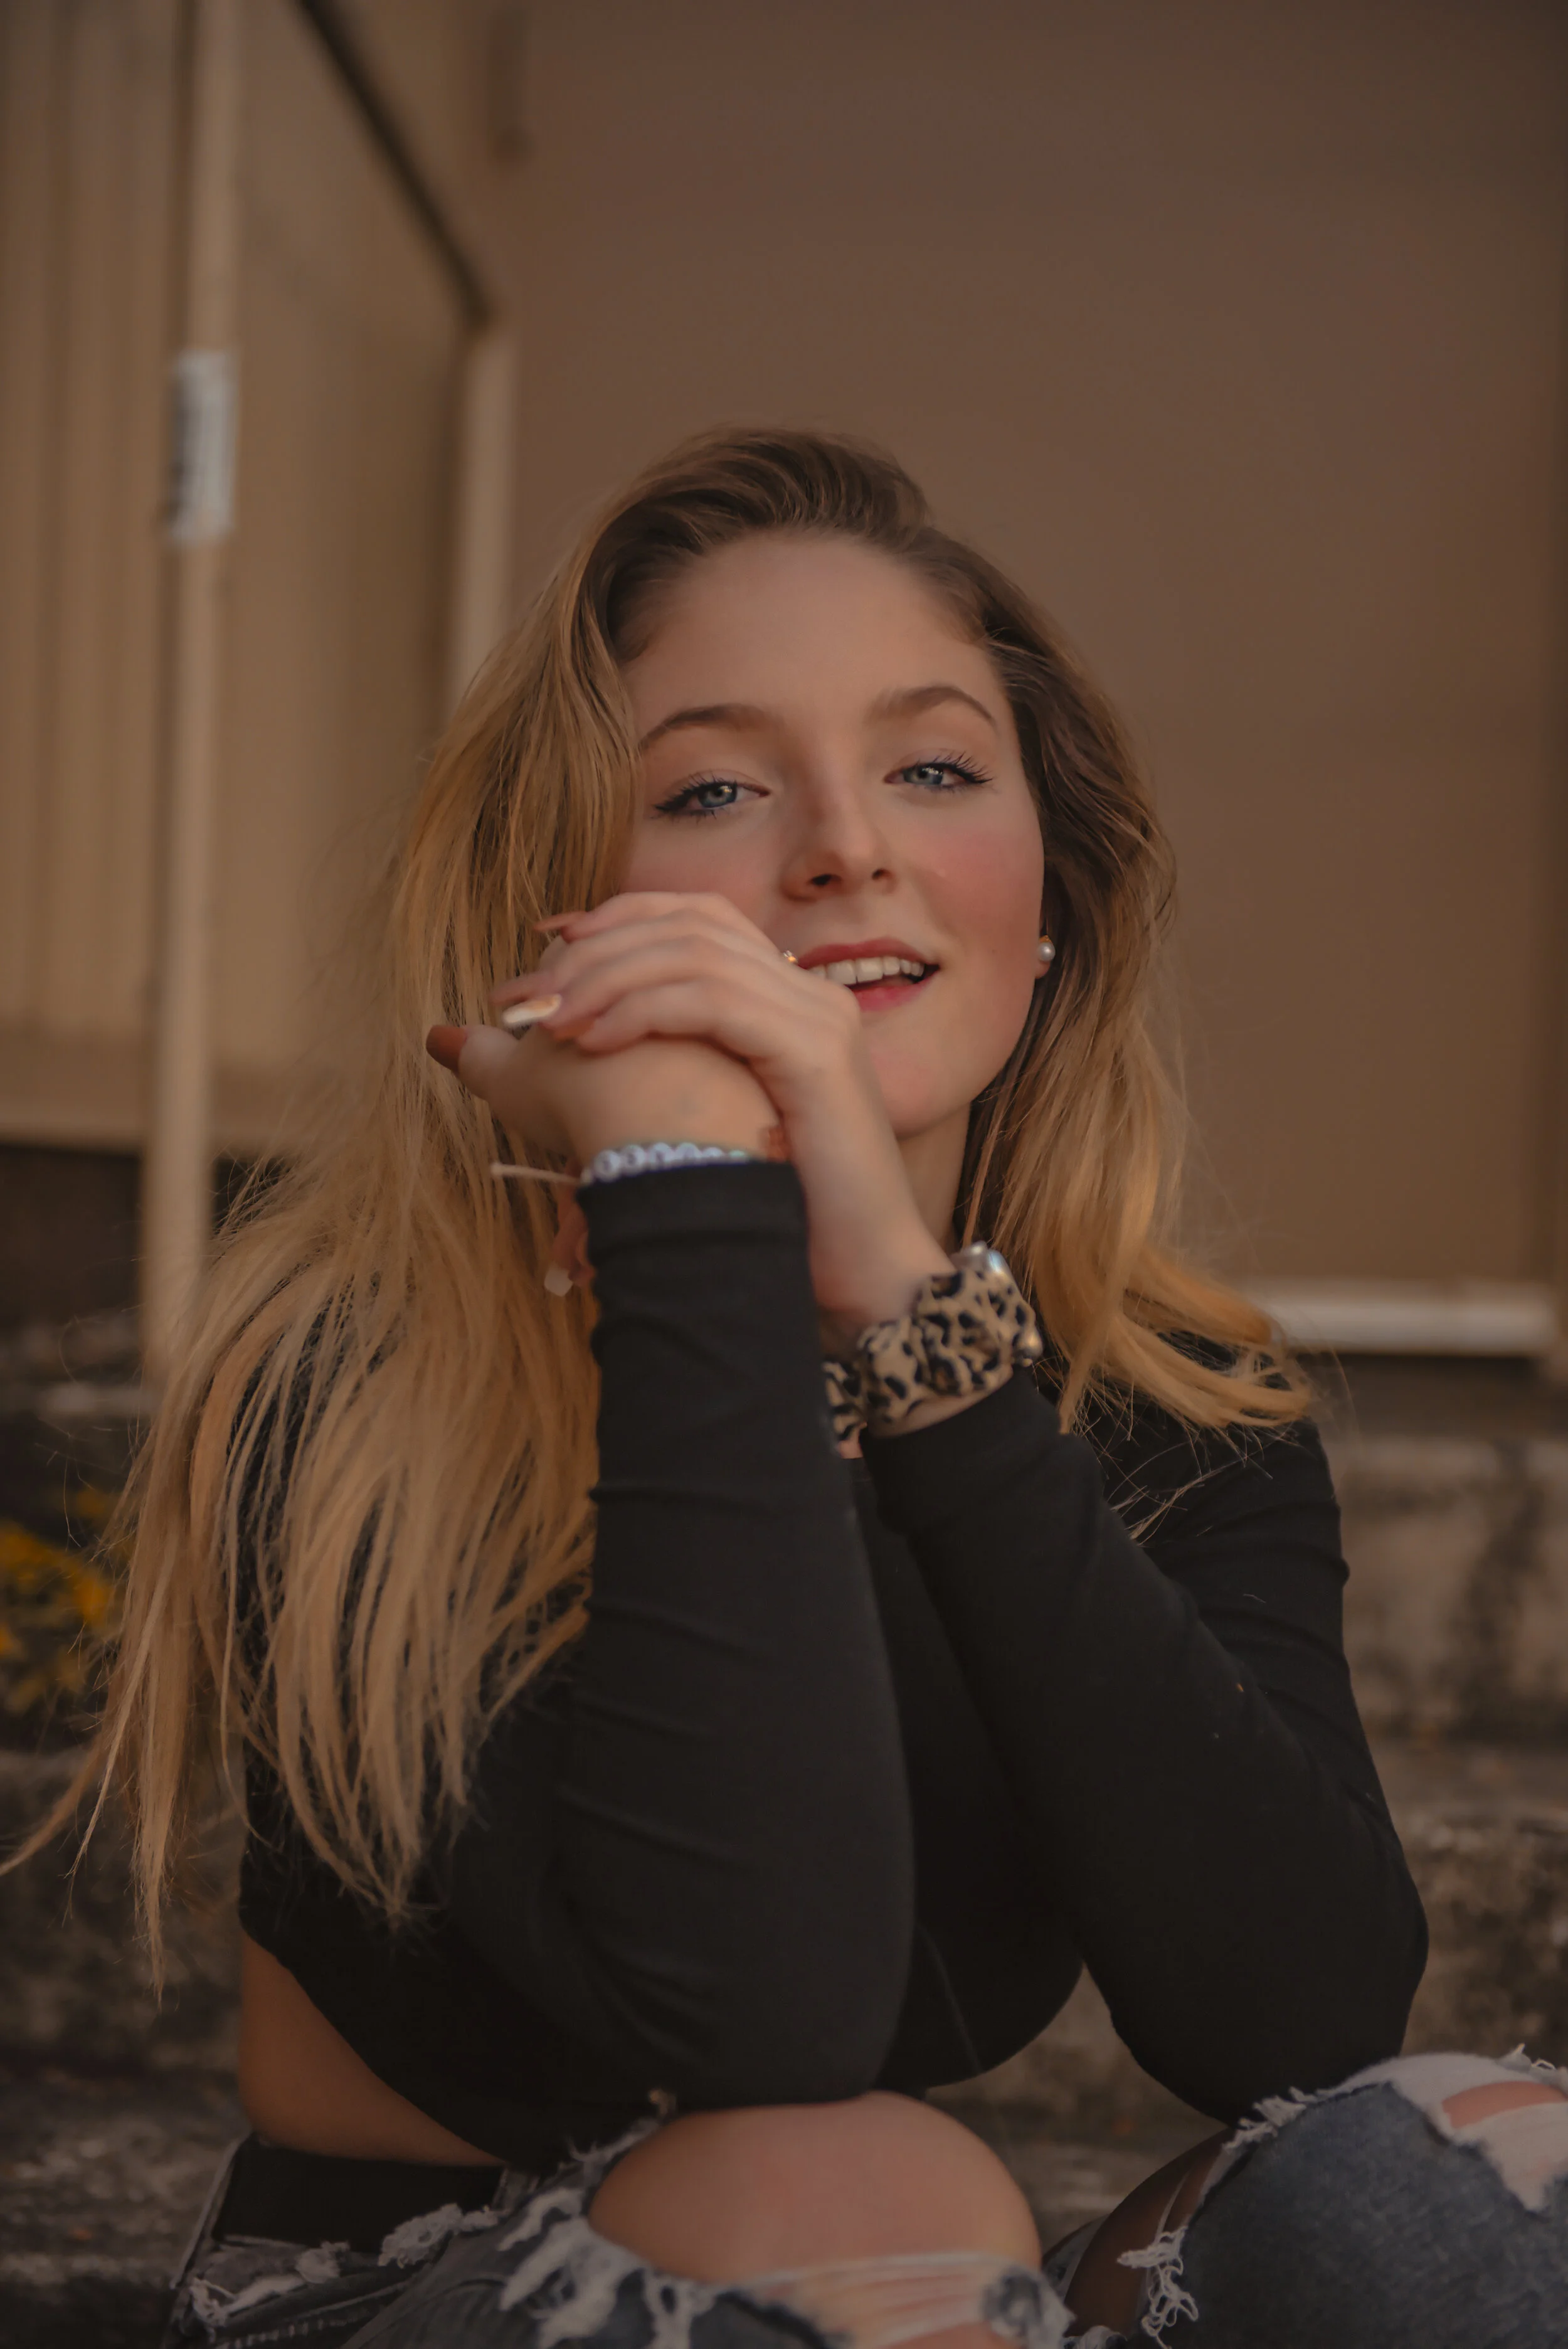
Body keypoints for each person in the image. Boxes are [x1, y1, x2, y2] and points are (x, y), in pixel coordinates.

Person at [60, 430, 1568, 2344]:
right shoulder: (351, 1386)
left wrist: (912, 1329)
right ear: (554, 908)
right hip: (422, 2284)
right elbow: (767, 2017)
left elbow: (1299, 2017)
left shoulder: (1176, 1411)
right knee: (868, 2183)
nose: (847, 846)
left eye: (932, 769)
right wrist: (686, 1189)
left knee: (1475, 2163)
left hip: (904, 2294)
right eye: (711, 787)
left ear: (1049, 898)